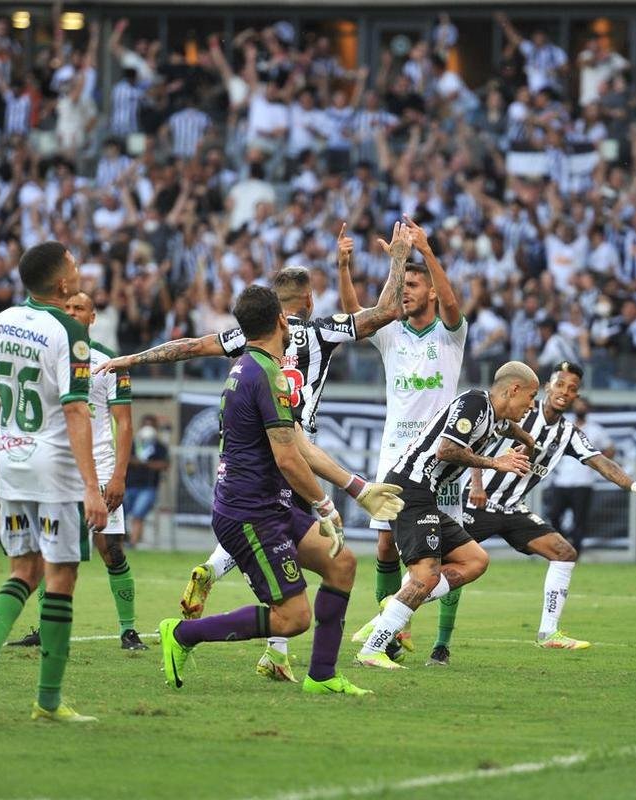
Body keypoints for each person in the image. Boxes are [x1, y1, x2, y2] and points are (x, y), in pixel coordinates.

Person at [100, 222, 408, 681]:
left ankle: (296, 661)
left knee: (335, 563)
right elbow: (386, 311)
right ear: (301, 305)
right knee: (291, 599)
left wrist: (134, 358)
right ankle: (217, 634)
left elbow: (188, 346)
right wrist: (398, 257)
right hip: (277, 474)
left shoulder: (243, 340)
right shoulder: (318, 334)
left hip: (281, 463)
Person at [157, 286, 403, 696]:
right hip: (250, 512)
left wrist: (358, 489)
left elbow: (300, 444)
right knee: (292, 618)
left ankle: (322, 676)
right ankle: (183, 634)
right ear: (281, 321)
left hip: (269, 505)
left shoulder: (253, 366)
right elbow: (289, 458)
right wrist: (325, 505)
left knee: (340, 564)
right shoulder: (265, 373)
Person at [0, 241, 108, 723]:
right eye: (73, 264)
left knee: (23, 570)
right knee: (60, 576)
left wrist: (22, 420)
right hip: (54, 470)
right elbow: (74, 410)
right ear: (63, 284)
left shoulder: (0, 322)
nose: (78, 267)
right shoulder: (69, 330)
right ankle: (48, 701)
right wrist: (92, 486)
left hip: (11, 463)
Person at [341, 215, 470, 667]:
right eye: (405, 285)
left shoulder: (451, 335)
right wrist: (344, 269)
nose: (407, 291)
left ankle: (442, 642)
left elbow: (453, 304)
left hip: (443, 458)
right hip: (396, 455)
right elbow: (361, 317)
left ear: (431, 290)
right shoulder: (392, 334)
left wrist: (427, 252)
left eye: (414, 285)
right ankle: (394, 632)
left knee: (450, 548)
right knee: (383, 546)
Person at [352, 362, 540, 668]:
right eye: (531, 396)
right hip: (409, 489)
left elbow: (508, 428)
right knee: (425, 575)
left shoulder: (495, 417)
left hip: (424, 496)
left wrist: (529, 441)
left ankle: (387, 616)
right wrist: (496, 462)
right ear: (513, 389)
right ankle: (372, 649)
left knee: (475, 560)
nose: (532, 405)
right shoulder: (475, 403)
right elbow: (446, 450)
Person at [466, 361, 636, 648]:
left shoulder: (568, 434)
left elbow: (602, 463)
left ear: (576, 396)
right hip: (479, 502)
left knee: (564, 552)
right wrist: (477, 484)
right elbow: (475, 442)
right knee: (440, 560)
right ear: (548, 386)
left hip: (512, 508)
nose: (564, 392)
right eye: (560, 385)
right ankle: (394, 618)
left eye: (572, 389)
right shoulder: (519, 411)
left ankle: (549, 633)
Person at [11, 292, 148, 651]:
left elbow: (125, 424)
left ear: (92, 316)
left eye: (79, 308)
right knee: (47, 550)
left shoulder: (110, 362)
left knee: (111, 551)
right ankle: (45, 628)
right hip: (56, 468)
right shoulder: (46, 356)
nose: (71, 312)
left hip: (100, 472)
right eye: (67, 307)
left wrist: (119, 476)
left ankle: (129, 630)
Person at [544, 396, 614, 555]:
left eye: (582, 406)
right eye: (577, 405)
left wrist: (597, 464)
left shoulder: (596, 429)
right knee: (554, 514)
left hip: (584, 482)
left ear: (588, 409)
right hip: (562, 480)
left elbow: (610, 448)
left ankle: (576, 551)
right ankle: (562, 542)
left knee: (579, 519)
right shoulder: (565, 426)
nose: (579, 408)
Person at [124, 416, 169, 548]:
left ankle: (132, 543)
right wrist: (142, 463)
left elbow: (164, 464)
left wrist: (145, 464)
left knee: (138, 513)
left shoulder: (160, 447)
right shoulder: (132, 443)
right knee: (121, 514)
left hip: (148, 487)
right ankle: (119, 543)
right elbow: (125, 459)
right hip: (129, 485)